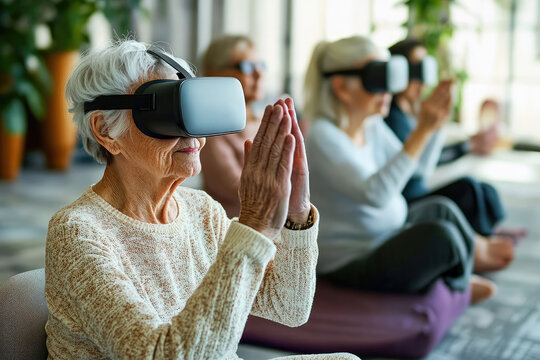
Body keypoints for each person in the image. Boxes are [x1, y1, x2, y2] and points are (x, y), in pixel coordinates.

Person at [45, 40, 357, 360]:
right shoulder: (78, 232)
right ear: (106, 130)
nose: (192, 132)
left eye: (194, 109)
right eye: (169, 112)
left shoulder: (200, 210)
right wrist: (253, 225)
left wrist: (296, 213)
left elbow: (289, 306)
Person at [304, 36, 514, 303]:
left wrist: (435, 124)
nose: (388, 91)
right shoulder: (322, 136)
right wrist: (422, 129)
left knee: (442, 208)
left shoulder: (372, 127)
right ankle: (461, 283)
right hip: (353, 260)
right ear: (341, 87)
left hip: (387, 234)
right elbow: (376, 194)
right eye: (378, 79)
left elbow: (418, 170)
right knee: (440, 238)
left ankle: (471, 258)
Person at [384, 37, 527, 240]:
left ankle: (491, 232)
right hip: (407, 200)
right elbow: (421, 167)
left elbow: (425, 156)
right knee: (467, 188)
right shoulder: (391, 117)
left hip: (420, 190)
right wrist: (438, 126)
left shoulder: (408, 112)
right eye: (415, 70)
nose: (422, 80)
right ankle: (485, 240)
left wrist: (441, 123)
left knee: (483, 188)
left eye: (424, 69)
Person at [200, 35, 266, 217]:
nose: (258, 74)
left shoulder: (263, 121)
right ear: (214, 73)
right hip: (233, 232)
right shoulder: (211, 130)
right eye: (247, 66)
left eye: (261, 66)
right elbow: (241, 191)